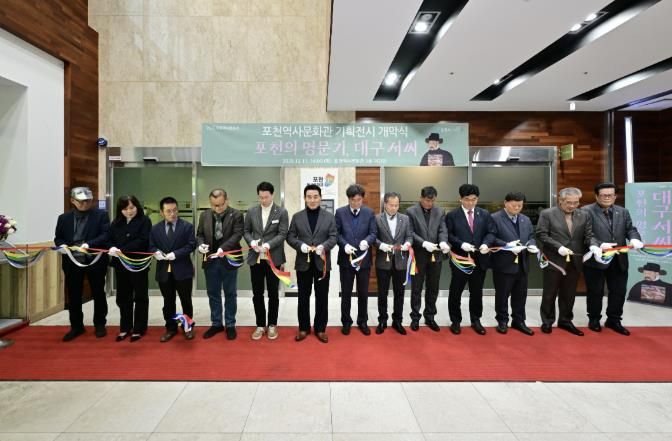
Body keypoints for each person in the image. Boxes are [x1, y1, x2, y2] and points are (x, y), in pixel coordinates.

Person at [582, 182, 643, 335]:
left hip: (619, 259)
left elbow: (630, 229)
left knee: (618, 291)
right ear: (596, 196)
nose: (607, 198)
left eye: (610, 195)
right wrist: (598, 244)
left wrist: (634, 239)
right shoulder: (586, 211)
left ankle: (614, 320)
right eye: (604, 195)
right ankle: (594, 319)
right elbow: (586, 234)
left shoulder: (623, 211)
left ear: (615, 196)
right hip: (597, 258)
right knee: (595, 291)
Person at [536, 187, 599, 336]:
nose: (572, 206)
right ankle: (547, 321)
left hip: (575, 259)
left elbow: (589, 235)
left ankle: (565, 320)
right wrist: (558, 247)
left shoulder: (584, 215)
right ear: (561, 200)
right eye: (569, 202)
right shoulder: (547, 214)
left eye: (576, 202)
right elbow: (541, 234)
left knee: (569, 293)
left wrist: (594, 245)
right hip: (554, 259)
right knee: (550, 293)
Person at [54, 186, 110, 342]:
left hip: (95, 260)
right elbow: (58, 237)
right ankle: (76, 326)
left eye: (88, 201)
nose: (85, 204)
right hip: (72, 261)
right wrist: (62, 245)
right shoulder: (63, 218)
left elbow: (106, 235)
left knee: (98, 293)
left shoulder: (101, 215)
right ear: (72, 200)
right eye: (81, 201)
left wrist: (90, 244)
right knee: (74, 295)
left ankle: (100, 324)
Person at [287, 184, 338, 343]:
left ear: (320, 198)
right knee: (303, 297)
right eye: (309, 197)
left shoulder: (329, 217)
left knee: (322, 297)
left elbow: (334, 237)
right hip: (303, 263)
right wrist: (300, 246)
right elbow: (290, 237)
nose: (312, 200)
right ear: (304, 198)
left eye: (315, 197)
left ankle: (320, 329)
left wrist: (323, 247)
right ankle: (303, 328)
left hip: (322, 263)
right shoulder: (297, 217)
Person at [445, 184, 494, 335]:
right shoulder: (452, 215)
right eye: (467, 199)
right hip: (460, 259)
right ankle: (455, 320)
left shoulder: (484, 214)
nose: (471, 202)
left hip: (479, 260)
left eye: (474, 199)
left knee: (476, 292)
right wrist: (461, 244)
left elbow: (491, 232)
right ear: (460, 199)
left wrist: (486, 243)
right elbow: (449, 235)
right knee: (456, 291)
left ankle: (476, 320)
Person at [196, 189, 244, 340]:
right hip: (210, 260)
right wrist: (200, 245)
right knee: (213, 293)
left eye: (221, 205)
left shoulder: (236, 215)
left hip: (228, 259)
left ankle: (230, 324)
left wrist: (223, 248)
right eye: (214, 205)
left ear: (227, 200)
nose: (217, 208)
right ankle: (216, 323)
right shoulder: (204, 215)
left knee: (230, 293)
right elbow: (199, 234)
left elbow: (237, 234)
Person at [488, 192, 538, 335]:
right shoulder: (495, 218)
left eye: (520, 205)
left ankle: (519, 320)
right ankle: (502, 321)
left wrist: (532, 244)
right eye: (514, 205)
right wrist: (506, 245)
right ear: (505, 203)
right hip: (504, 263)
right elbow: (491, 238)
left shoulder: (525, 219)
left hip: (522, 263)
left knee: (520, 295)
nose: (517, 208)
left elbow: (531, 236)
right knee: (502, 295)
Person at [243, 182, 288, 341]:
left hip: (273, 258)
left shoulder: (281, 212)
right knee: (257, 293)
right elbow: (246, 231)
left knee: (273, 293)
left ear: (272, 195)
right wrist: (251, 242)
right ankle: (260, 325)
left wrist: (268, 245)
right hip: (255, 258)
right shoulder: (251, 211)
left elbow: (282, 234)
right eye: (261, 197)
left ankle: (272, 324)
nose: (263, 200)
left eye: (266, 197)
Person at [149, 196, 197, 342]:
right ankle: (170, 328)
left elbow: (191, 245)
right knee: (168, 301)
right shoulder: (155, 229)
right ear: (161, 212)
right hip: (164, 271)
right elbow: (151, 245)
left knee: (186, 300)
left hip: (183, 270)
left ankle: (188, 327)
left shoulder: (187, 227)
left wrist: (176, 254)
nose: (172, 214)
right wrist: (155, 252)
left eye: (175, 210)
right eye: (168, 211)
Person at [107, 195, 152, 342]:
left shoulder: (144, 221)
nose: (129, 211)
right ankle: (125, 327)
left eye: (131, 207)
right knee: (123, 297)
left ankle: (139, 328)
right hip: (120, 265)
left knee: (140, 296)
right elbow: (109, 239)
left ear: (137, 206)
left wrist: (122, 250)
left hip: (138, 264)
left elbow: (143, 240)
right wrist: (112, 248)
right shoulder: (116, 223)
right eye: (125, 209)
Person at [405, 186, 449, 331]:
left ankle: (430, 317)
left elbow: (442, 230)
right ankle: (415, 318)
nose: (429, 203)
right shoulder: (411, 211)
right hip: (419, 255)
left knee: (433, 287)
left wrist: (443, 242)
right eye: (427, 200)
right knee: (416, 288)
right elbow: (410, 232)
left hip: (435, 255)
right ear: (421, 198)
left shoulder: (440, 211)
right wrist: (423, 243)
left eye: (432, 201)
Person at [335, 184, 377, 336]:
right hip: (346, 260)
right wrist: (344, 245)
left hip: (363, 260)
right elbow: (336, 233)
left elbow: (373, 233)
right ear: (348, 199)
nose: (356, 203)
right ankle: (346, 322)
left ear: (362, 199)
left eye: (359, 200)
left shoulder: (369, 213)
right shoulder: (340, 212)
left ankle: (362, 321)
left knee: (363, 293)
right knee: (346, 293)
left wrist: (367, 241)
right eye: (353, 200)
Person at [374, 191, 413, 335]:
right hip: (383, 262)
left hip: (400, 262)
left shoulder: (405, 219)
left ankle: (397, 321)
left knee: (399, 293)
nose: (394, 208)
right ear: (385, 204)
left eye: (396, 205)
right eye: (391, 205)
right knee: (382, 293)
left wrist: (408, 244)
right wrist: (381, 245)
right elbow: (373, 237)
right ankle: (382, 320)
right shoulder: (377, 219)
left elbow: (409, 236)